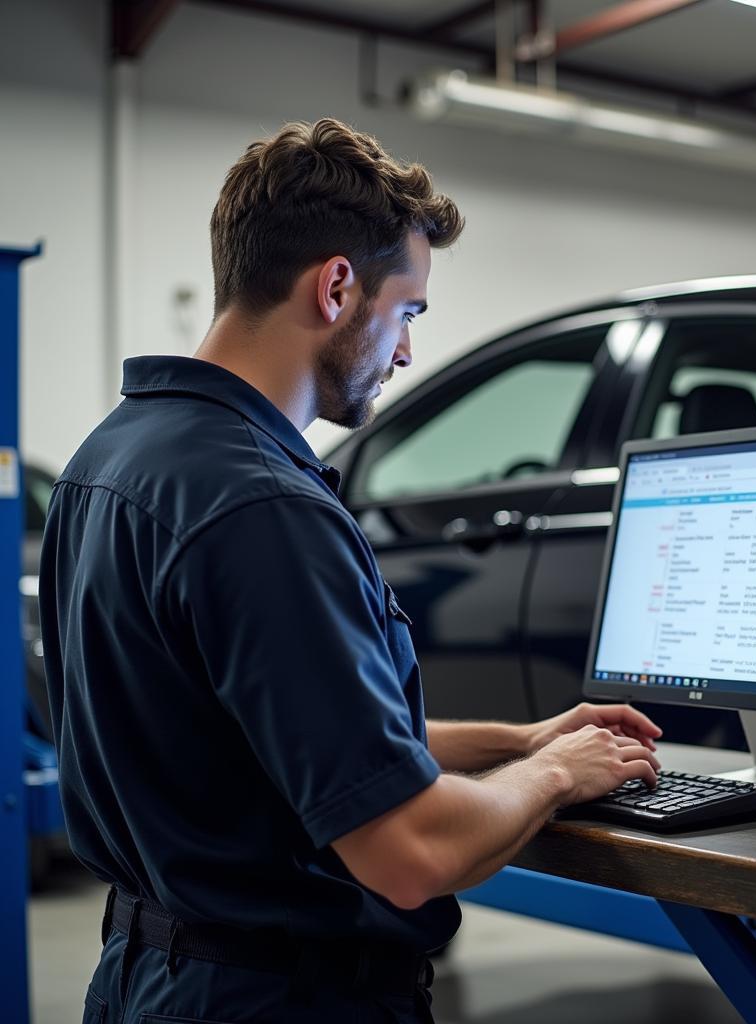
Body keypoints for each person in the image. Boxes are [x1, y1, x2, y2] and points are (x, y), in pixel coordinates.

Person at [40, 119, 661, 1022]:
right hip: (278, 998)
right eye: (406, 311)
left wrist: (521, 741)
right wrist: (561, 774)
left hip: (148, 976)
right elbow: (407, 850)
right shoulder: (262, 507)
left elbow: (301, 743)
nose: (405, 351)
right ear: (337, 286)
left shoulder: (113, 457)